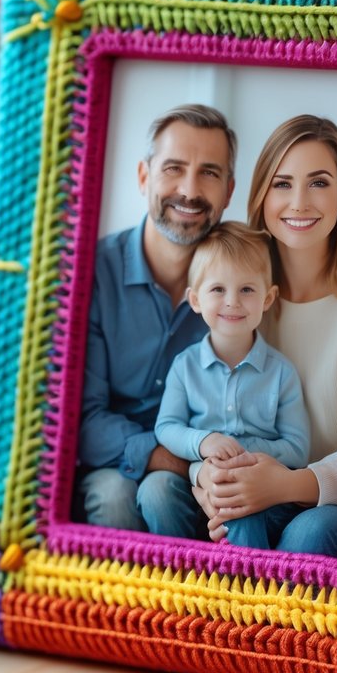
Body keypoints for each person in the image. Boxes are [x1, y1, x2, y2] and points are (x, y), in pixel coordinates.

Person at [194, 115, 337, 557]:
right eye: (282, 184)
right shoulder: (237, 294)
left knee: (308, 534)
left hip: (336, 503)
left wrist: (287, 485)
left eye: (318, 183)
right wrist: (208, 481)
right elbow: (202, 406)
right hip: (252, 491)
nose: (299, 202)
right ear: (261, 197)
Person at [76, 104, 236, 530]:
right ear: (144, 176)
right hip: (113, 462)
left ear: (229, 191)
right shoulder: (91, 272)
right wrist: (166, 458)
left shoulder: (241, 283)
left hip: (200, 468)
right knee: (114, 495)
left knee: (161, 492)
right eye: (174, 168)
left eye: (209, 173)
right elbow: (81, 416)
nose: (189, 189)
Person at [137, 222, 310, 541]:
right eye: (218, 289)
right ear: (196, 299)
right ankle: (177, 577)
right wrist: (205, 443)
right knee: (155, 492)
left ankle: (243, 587)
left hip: (261, 490)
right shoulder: (185, 366)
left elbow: (298, 449)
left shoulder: (281, 372)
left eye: (247, 289)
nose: (233, 301)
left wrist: (242, 455)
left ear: (268, 298)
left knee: (242, 513)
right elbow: (166, 427)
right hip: (198, 481)